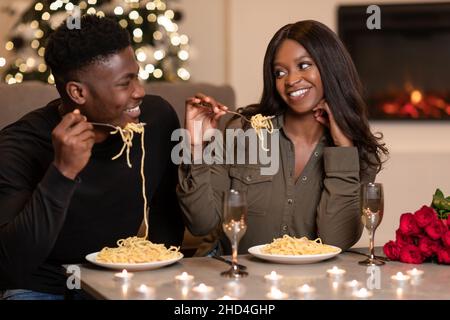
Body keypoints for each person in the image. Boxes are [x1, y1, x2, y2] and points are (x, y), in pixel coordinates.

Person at [0, 15, 184, 300]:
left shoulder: (156, 118)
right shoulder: (19, 145)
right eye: (125, 83)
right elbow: (10, 264)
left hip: (118, 281)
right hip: (42, 288)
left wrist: (154, 269)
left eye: (136, 75)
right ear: (77, 92)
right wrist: (62, 172)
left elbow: (165, 211)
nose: (140, 91)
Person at [177, 20, 389, 256]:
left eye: (304, 65)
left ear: (330, 68)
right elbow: (200, 224)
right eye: (280, 72)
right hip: (238, 279)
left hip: (313, 285)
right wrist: (195, 147)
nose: (290, 80)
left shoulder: (358, 152)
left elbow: (335, 241)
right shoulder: (243, 131)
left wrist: (343, 148)